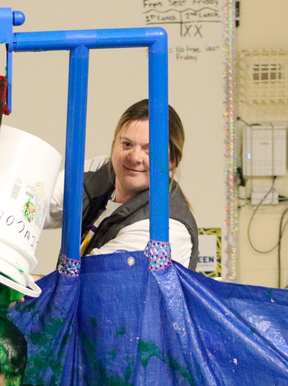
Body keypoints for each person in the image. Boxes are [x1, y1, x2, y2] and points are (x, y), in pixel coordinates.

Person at [45, 98, 199, 268]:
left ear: (172, 160)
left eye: (149, 150)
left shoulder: (163, 228)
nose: (134, 157)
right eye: (127, 144)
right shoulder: (100, 171)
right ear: (113, 145)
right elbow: (36, 203)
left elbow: (93, 281)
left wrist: (33, 284)